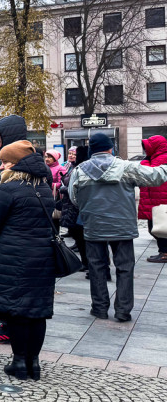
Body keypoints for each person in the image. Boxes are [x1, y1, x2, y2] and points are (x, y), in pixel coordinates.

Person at [71, 132, 167, 322]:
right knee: (125, 268)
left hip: (93, 226)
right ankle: (123, 311)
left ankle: (99, 308)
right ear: (111, 148)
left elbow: (75, 199)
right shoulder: (126, 167)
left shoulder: (80, 170)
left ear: (91, 150)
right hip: (122, 227)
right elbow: (157, 177)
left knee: (97, 267)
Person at [0, 140, 57, 381]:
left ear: (16, 164)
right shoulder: (44, 187)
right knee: (36, 311)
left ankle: (18, 362)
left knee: (15, 311)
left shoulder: (8, 189)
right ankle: (33, 364)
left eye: (4, 162)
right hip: (42, 256)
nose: (1, 166)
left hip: (12, 257)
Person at [0, 114, 50, 342]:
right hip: (33, 246)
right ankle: (26, 354)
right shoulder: (35, 179)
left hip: (11, 241)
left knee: (13, 288)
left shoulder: (12, 180)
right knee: (27, 298)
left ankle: (13, 339)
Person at [137, 135, 167, 264]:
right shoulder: (153, 158)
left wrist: (145, 162)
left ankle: (165, 253)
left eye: (147, 147)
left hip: (160, 201)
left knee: (160, 228)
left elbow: (147, 174)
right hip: (154, 200)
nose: (145, 149)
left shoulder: (162, 159)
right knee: (155, 228)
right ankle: (164, 251)